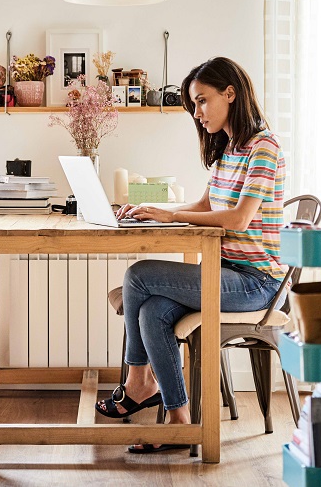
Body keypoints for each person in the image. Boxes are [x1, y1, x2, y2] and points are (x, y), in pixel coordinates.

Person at [94, 57, 287, 453]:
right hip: (226, 271)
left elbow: (239, 218)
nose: (197, 114)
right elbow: (205, 204)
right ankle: (180, 423)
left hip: (256, 283)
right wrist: (158, 212)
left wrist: (171, 214)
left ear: (230, 94)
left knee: (138, 275)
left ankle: (138, 382)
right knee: (151, 311)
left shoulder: (263, 147)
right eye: (193, 106)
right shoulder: (228, 149)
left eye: (202, 101)